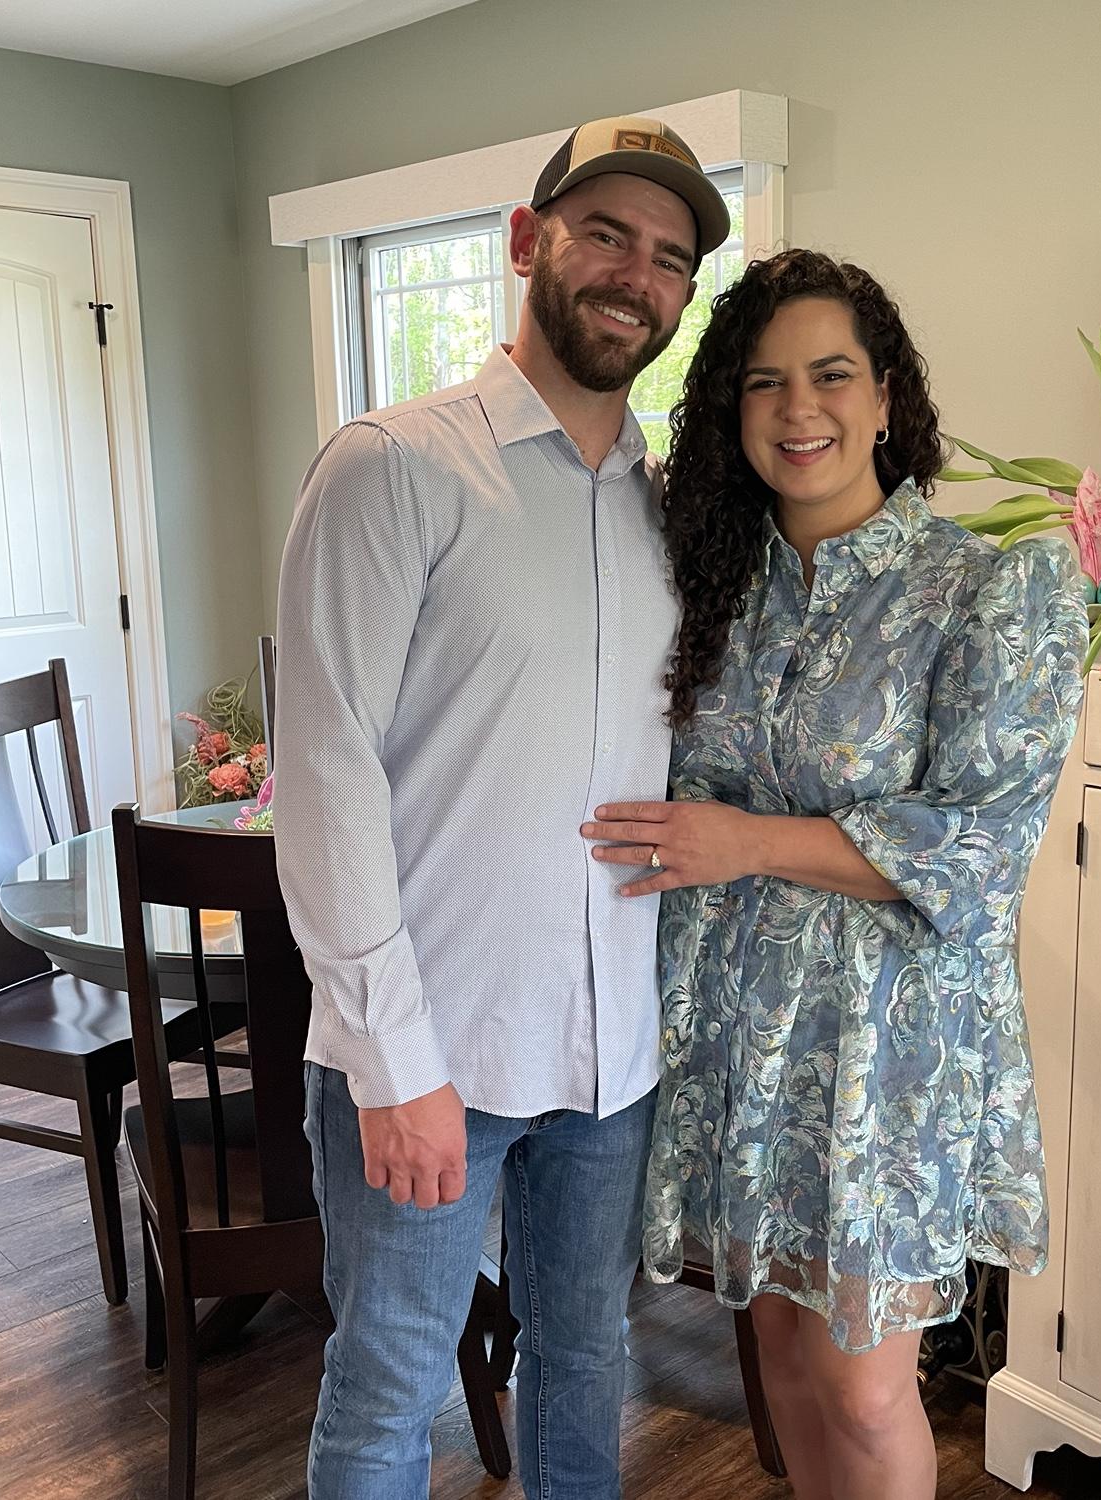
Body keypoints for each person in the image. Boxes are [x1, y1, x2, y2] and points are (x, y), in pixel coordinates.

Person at [273, 116, 729, 1499]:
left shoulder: (669, 513)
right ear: (528, 242)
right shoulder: (394, 466)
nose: (636, 276)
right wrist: (390, 1062)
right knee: (392, 1389)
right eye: (606, 234)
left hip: (609, 1059)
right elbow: (327, 775)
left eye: (669, 257)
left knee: (585, 1359)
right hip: (436, 1052)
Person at [582, 249, 1086, 1500]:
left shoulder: (987, 588)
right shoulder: (711, 587)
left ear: (885, 396)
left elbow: (981, 848)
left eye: (831, 374)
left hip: (888, 1052)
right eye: (764, 382)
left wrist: (746, 841)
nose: (798, 408)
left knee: (864, 1390)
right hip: (737, 1038)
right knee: (786, 1362)